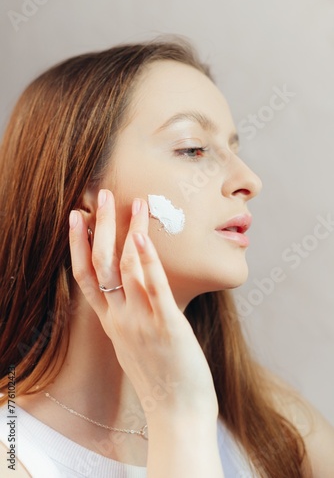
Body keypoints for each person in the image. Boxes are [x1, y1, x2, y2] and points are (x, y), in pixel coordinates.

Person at [0, 36, 333, 478]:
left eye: (234, 149)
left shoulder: (263, 411)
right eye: (193, 149)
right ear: (81, 191)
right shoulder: (15, 453)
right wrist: (178, 413)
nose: (249, 180)